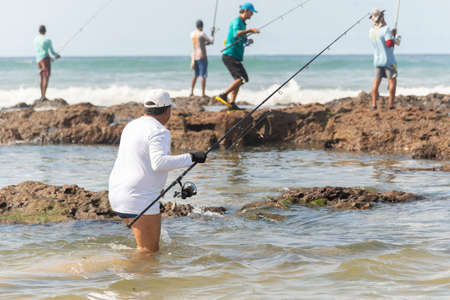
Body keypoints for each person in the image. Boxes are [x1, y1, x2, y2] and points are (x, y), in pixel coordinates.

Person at [108, 91, 207, 252]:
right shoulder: (159, 131)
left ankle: (128, 275)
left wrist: (156, 187)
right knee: (148, 252)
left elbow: (138, 160)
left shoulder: (131, 125)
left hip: (117, 193)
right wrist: (192, 157)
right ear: (167, 111)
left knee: (143, 249)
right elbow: (159, 163)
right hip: (139, 197)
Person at [215, 2, 259, 110]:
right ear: (245, 11)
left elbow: (242, 42)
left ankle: (232, 103)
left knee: (240, 79)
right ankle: (223, 95)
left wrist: (248, 41)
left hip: (235, 56)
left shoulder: (243, 24)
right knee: (241, 78)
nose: (252, 15)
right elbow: (236, 33)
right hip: (229, 55)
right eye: (251, 12)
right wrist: (250, 30)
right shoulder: (237, 21)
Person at [369, 8, 401, 110]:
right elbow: (389, 43)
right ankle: (391, 105)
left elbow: (381, 38)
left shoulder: (371, 31)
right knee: (392, 82)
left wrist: (391, 34)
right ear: (381, 17)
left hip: (377, 61)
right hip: (388, 61)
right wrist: (397, 37)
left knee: (375, 84)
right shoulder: (386, 29)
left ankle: (374, 105)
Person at [34, 25, 60, 101]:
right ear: (45, 31)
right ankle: (43, 96)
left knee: (42, 78)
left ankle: (41, 96)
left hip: (38, 60)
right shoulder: (47, 40)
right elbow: (52, 51)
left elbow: (39, 50)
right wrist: (57, 55)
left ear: (39, 31)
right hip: (45, 59)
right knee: (46, 78)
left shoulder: (35, 39)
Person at [190, 19, 215, 97]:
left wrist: (205, 43)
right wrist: (212, 32)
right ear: (202, 26)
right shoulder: (202, 33)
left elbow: (200, 43)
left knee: (195, 75)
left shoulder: (192, 34)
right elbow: (211, 41)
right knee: (203, 75)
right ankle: (203, 93)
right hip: (202, 56)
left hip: (194, 56)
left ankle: (191, 92)